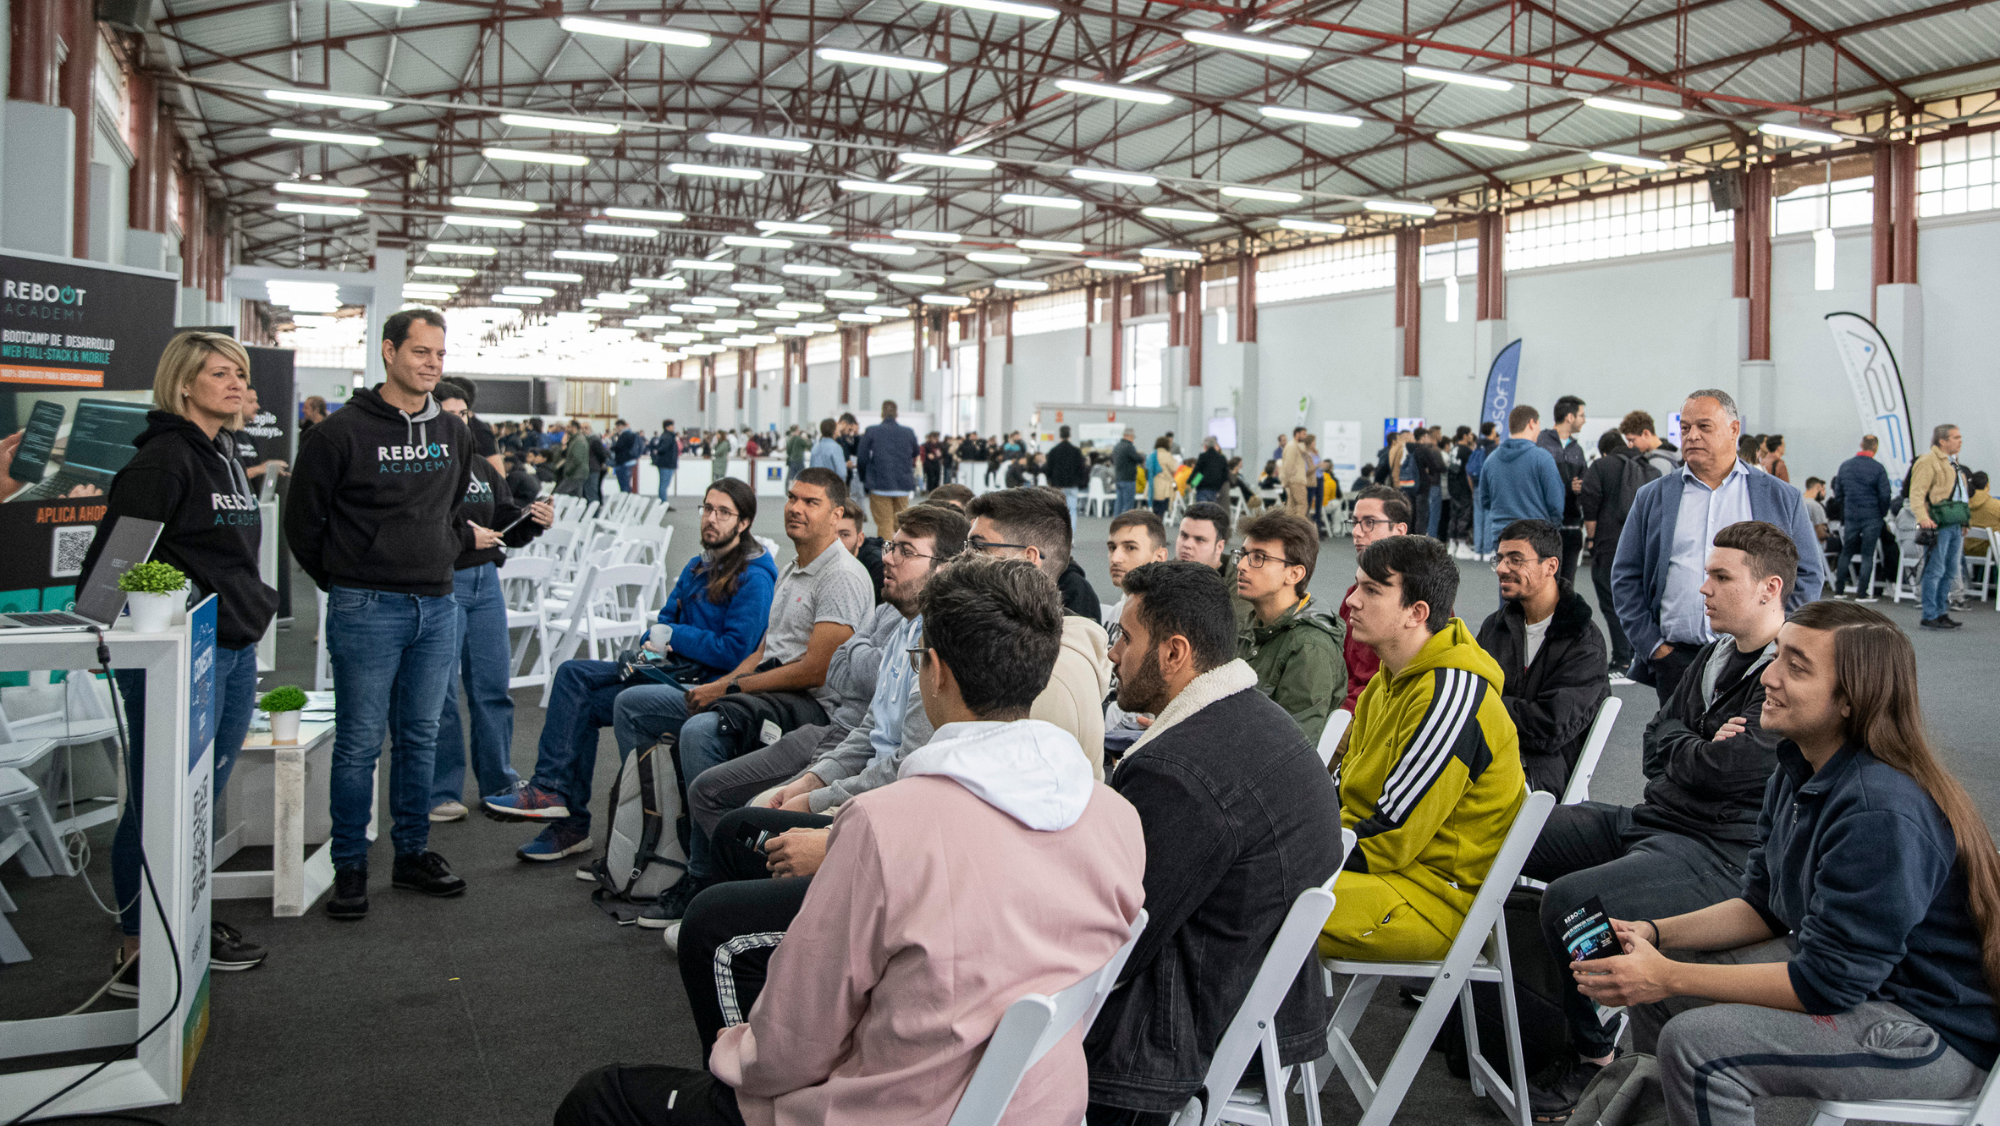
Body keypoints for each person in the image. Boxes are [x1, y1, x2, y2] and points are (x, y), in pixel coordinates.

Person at [560, 557, 1147, 1126]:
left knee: (601, 1097)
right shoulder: (1115, 817)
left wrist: (735, 1057)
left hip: (896, 1109)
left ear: (934, 670)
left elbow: (792, 1045)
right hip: (1044, 1103)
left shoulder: (888, 824)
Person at [1568, 600, 2000, 1126]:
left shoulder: (1878, 810)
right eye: (1777, 657)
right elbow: (1763, 909)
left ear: (1850, 700)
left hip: (1934, 1034)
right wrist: (1656, 935)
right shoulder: (1797, 768)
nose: (1769, 677)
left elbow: (1828, 983)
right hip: (1871, 988)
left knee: (1697, 1047)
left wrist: (1671, 975)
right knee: (1659, 998)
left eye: (1796, 667)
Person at [1518, 519, 1793, 1119]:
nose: (1704, 589)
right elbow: (1654, 741)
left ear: (1770, 588)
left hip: (1719, 849)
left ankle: (1593, 1052)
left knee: (1570, 901)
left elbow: (1732, 768)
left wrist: (1687, 748)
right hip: (1655, 818)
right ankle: (1531, 1012)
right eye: (1706, 575)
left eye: (1722, 577)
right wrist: (1696, 745)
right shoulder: (1714, 655)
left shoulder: (1787, 675)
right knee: (1508, 838)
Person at [1086, 562, 1344, 1124]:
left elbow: (1115, 939)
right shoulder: (1259, 719)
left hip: (1177, 1033)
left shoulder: (1177, 772)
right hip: (1264, 1009)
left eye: (1124, 637)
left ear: (1174, 652)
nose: (1112, 654)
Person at [84, 331, 279, 988]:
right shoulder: (164, 462)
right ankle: (138, 946)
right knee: (159, 797)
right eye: (219, 373)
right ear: (184, 382)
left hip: (232, 645)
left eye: (239, 373)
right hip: (182, 657)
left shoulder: (223, 453)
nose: (235, 384)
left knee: (199, 797)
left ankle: (183, 917)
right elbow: (112, 570)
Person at [286, 308, 475, 919]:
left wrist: (441, 556)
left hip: (437, 604)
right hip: (365, 606)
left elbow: (451, 511)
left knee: (421, 738)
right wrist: (347, 580)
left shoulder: (453, 432)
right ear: (389, 352)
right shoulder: (339, 433)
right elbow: (302, 525)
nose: (432, 364)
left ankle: (412, 855)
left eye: (440, 355)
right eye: (421, 352)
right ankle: (350, 866)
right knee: (360, 743)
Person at [484, 478, 776, 859]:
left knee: (590, 699)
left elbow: (733, 652)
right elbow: (658, 628)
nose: (711, 518)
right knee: (573, 675)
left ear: (744, 523)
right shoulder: (696, 566)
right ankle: (555, 798)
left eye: (723, 512)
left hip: (704, 686)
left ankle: (570, 815)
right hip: (668, 669)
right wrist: (653, 646)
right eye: (707, 508)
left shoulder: (754, 577)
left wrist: (673, 635)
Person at [1323, 535, 1526, 961]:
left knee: (1250, 898)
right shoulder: (1388, 679)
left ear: (1417, 613)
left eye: (1372, 590)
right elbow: (1344, 792)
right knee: (1241, 885)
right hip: (1388, 874)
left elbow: (1393, 834)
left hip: (1432, 898)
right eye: (1356, 584)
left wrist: (1296, 852)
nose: (1351, 602)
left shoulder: (1449, 694)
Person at [1611, 389, 1824, 704]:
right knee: (1674, 746)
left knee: (1747, 749)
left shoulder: (1779, 497)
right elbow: (1625, 576)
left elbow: (1808, 574)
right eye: (1685, 428)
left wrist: (1780, 638)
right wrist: (1654, 648)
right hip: (1675, 659)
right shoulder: (1653, 497)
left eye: (1704, 427)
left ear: (1734, 430)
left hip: (1756, 659)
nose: (1692, 436)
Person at [425, 380, 553, 823]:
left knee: (492, 688)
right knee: (440, 694)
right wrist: (464, 538)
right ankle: (441, 790)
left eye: (463, 415)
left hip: (486, 584)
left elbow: (504, 524)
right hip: (443, 583)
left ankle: (498, 781)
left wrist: (532, 520)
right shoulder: (425, 466)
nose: (457, 421)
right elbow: (414, 529)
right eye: (447, 413)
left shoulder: (481, 466)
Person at [964, 487, 1112, 754]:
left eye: (978, 546)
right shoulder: (1012, 643)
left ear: (1028, 559)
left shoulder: (1046, 675)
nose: (964, 557)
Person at [1475, 519, 1609, 795]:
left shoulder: (1584, 641)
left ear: (1551, 566)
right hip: (1489, 753)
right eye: (1499, 559)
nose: (1501, 569)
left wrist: (1484, 707)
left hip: (1542, 772)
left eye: (1515, 560)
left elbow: (1550, 729)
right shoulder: (1496, 626)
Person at [1232, 512, 1344, 746]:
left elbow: (1292, 747)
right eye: (1243, 555)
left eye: (1259, 557)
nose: (1242, 566)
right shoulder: (1251, 626)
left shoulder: (1310, 647)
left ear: (1294, 574)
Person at [1579, 412, 1665, 680]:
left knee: (1612, 602)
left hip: (1609, 544)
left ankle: (1621, 659)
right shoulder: (1651, 469)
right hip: (1644, 546)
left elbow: (1589, 505)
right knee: (1639, 601)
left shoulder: (1601, 467)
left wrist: (1591, 540)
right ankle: (1641, 655)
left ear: (1604, 450)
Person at [1338, 485, 1409, 714]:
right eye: (1355, 522)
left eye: (1369, 522)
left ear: (1399, 530)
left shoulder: (1415, 599)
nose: (1357, 532)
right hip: (1342, 705)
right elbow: (1341, 669)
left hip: (1379, 713)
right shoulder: (1352, 594)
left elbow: (1396, 686)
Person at [1475, 405, 1564, 556]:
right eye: (1538, 424)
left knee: (1506, 577)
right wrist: (1551, 529)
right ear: (1531, 423)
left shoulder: (1491, 460)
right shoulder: (1542, 458)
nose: (1539, 430)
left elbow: (1484, 500)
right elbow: (1555, 503)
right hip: (1535, 536)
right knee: (1534, 579)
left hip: (1501, 534)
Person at [1910, 423, 1970, 630]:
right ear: (1942, 440)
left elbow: (1959, 494)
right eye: (1955, 437)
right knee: (1935, 569)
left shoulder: (1953, 463)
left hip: (1953, 523)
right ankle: (1930, 613)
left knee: (1950, 570)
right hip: (1937, 523)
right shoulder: (1928, 461)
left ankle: (1941, 612)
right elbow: (1917, 492)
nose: (1960, 440)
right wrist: (1922, 517)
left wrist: (1964, 521)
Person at [1830, 434, 1892, 600]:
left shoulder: (1846, 466)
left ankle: (1839, 590)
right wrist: (1882, 512)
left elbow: (1838, 491)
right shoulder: (1878, 468)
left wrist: (1846, 508)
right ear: (1875, 447)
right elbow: (1885, 495)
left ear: (1861, 445)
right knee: (1867, 554)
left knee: (1846, 552)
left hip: (1851, 515)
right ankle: (1862, 592)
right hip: (1872, 516)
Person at [1538, 396, 1589, 583]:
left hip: (1572, 526)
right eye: (1581, 415)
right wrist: (1567, 487)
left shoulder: (1577, 449)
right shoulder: (1541, 443)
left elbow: (1583, 479)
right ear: (1570, 417)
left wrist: (1582, 486)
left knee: (1567, 586)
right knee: (1545, 584)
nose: (1584, 420)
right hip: (1546, 526)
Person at [1175, 500, 1249, 627]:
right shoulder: (1162, 575)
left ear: (1219, 547)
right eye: (1184, 535)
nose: (1187, 545)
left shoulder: (1240, 584)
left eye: (1199, 539)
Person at [857, 400, 920, 537]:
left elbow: (862, 457)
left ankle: (886, 557)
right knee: (901, 525)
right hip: (903, 485)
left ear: (882, 414)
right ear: (897, 414)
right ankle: (902, 553)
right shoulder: (908, 432)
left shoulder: (871, 431)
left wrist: (864, 478)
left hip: (879, 484)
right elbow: (915, 452)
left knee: (884, 524)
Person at [1103, 509, 1170, 629]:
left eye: (1130, 548)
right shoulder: (1115, 612)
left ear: (1159, 557)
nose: (1115, 558)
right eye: (1112, 548)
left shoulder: (1165, 622)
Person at [833, 500, 884, 602]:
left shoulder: (877, 568)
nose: (836, 543)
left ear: (860, 539)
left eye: (844, 535)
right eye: (829, 534)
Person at [1045, 424, 1089, 524]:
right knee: (1072, 510)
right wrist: (1080, 482)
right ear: (1070, 435)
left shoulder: (1053, 451)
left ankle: (1060, 536)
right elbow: (1081, 468)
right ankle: (1071, 537)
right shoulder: (1076, 451)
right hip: (1072, 485)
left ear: (1059, 435)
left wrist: (1051, 482)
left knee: (1058, 512)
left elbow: (1048, 469)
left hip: (1058, 486)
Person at [1109, 428, 1142, 517]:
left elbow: (1112, 460)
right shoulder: (1129, 447)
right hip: (1128, 479)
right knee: (1128, 504)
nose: (1133, 439)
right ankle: (1126, 525)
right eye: (1133, 437)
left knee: (1119, 503)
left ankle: (1116, 523)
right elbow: (1138, 459)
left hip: (1119, 478)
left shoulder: (1117, 446)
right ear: (1129, 436)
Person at [1279, 424, 1311, 518]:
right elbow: (1288, 465)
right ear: (1297, 434)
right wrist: (1286, 481)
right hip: (1296, 480)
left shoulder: (1296, 446)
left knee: (1291, 508)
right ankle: (1298, 527)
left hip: (1295, 480)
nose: (1305, 437)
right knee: (1302, 505)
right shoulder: (1292, 446)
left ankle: (1288, 528)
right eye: (1303, 434)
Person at [1189, 436, 1229, 505]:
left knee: (1201, 510)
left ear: (1205, 446)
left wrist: (1190, 482)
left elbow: (1198, 471)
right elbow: (1225, 475)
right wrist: (1218, 486)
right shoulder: (1222, 458)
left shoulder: (1203, 456)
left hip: (1203, 487)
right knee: (1210, 510)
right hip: (1214, 488)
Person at [1146, 436, 1181, 518]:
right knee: (1161, 510)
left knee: (1155, 509)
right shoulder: (1167, 455)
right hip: (1164, 486)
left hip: (1152, 486)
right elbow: (1174, 468)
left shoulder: (1152, 455)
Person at [648, 418, 679, 505]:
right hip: (667, 464)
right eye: (672, 425)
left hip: (666, 464)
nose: (673, 427)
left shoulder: (666, 436)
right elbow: (662, 449)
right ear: (667, 427)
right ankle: (663, 502)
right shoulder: (668, 437)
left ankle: (663, 501)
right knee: (664, 484)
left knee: (664, 484)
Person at [609, 418, 641, 493]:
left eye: (617, 427)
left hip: (623, 462)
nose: (617, 429)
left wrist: (611, 448)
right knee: (626, 483)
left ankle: (625, 500)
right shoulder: (632, 434)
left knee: (623, 484)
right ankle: (627, 499)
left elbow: (619, 447)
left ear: (620, 426)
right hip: (629, 461)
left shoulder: (624, 435)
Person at [1801, 476, 1831, 548]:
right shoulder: (1815, 506)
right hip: (1816, 547)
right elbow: (1820, 534)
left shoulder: (1798, 502)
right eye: (1823, 489)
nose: (1825, 493)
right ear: (1817, 487)